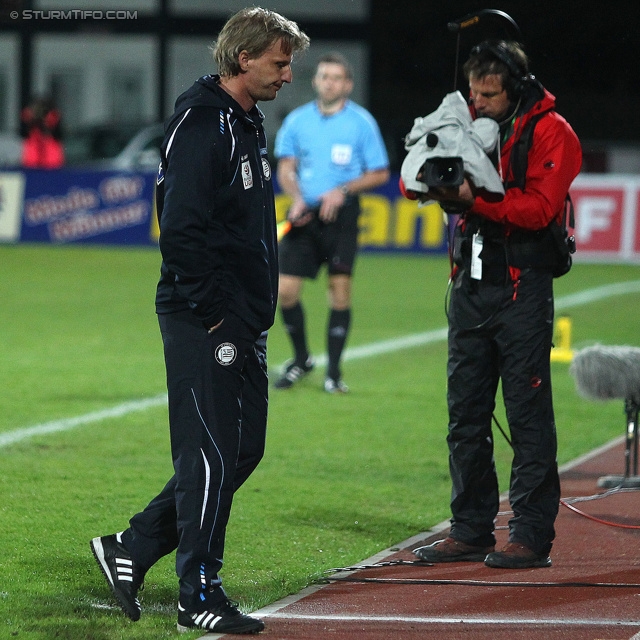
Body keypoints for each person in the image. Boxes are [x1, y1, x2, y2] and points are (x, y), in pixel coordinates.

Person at [89, 8, 309, 635]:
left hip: (240, 320)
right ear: (244, 59)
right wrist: (215, 316)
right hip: (204, 319)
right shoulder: (201, 123)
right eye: (280, 61)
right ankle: (198, 595)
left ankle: (131, 547)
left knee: (241, 450)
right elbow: (179, 229)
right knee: (210, 455)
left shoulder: (244, 120)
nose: (288, 74)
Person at [412, 40, 582, 568]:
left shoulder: (554, 132)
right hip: (469, 287)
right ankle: (471, 528)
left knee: (527, 417)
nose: (479, 102)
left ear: (517, 88)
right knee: (465, 415)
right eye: (474, 92)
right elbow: (423, 171)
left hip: (521, 289)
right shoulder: (463, 116)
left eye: (489, 94)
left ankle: (530, 536)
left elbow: (539, 208)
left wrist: (476, 200)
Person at [273, 53, 390, 393]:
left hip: (342, 218)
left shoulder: (361, 122)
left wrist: (342, 190)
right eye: (324, 76)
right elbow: (285, 168)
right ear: (315, 81)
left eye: (337, 78)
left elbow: (379, 172)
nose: (329, 83)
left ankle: (334, 373)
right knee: (285, 291)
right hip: (304, 216)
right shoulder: (297, 121)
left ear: (348, 85)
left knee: (339, 293)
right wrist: (296, 198)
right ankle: (302, 359)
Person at [20, 96, 64, 169]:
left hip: (50, 152)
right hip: (34, 151)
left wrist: (45, 120)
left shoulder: (52, 116)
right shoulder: (30, 118)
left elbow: (55, 130)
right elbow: (24, 130)